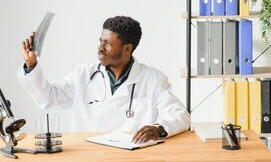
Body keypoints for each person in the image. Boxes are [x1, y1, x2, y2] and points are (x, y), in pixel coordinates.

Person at [17, 16, 190, 143]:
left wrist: (158, 129)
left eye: (107, 43)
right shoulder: (84, 74)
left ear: (127, 49)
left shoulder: (152, 78)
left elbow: (181, 115)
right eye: (100, 41)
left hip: (131, 156)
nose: (99, 48)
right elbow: (50, 99)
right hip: (87, 155)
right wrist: (31, 64)